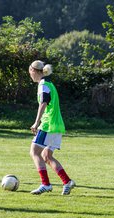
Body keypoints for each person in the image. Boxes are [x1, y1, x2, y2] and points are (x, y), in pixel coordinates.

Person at [28, 60, 76, 195]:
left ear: (34, 71)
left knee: (34, 152)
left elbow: (43, 103)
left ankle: (45, 184)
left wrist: (36, 122)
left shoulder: (43, 85)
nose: (29, 75)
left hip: (48, 125)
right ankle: (67, 181)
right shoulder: (50, 84)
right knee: (46, 155)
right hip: (57, 125)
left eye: (30, 72)